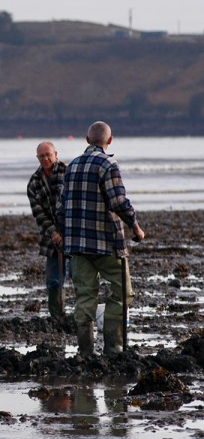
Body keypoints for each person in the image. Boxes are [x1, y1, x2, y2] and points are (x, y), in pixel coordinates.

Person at [56, 122, 144, 356]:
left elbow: (60, 208)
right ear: (110, 141)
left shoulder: (72, 166)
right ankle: (113, 349)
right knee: (122, 293)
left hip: (77, 246)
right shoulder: (108, 164)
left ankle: (85, 351)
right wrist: (135, 226)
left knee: (85, 296)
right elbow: (118, 202)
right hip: (106, 243)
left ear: (86, 139)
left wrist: (66, 234)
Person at [27, 141, 68, 325]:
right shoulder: (34, 182)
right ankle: (57, 317)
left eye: (48, 155)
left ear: (55, 154)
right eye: (41, 156)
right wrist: (54, 233)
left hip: (73, 235)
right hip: (51, 239)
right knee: (53, 281)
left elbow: (74, 204)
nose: (45, 158)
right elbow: (39, 214)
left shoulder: (68, 173)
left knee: (80, 277)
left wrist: (65, 232)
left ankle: (84, 317)